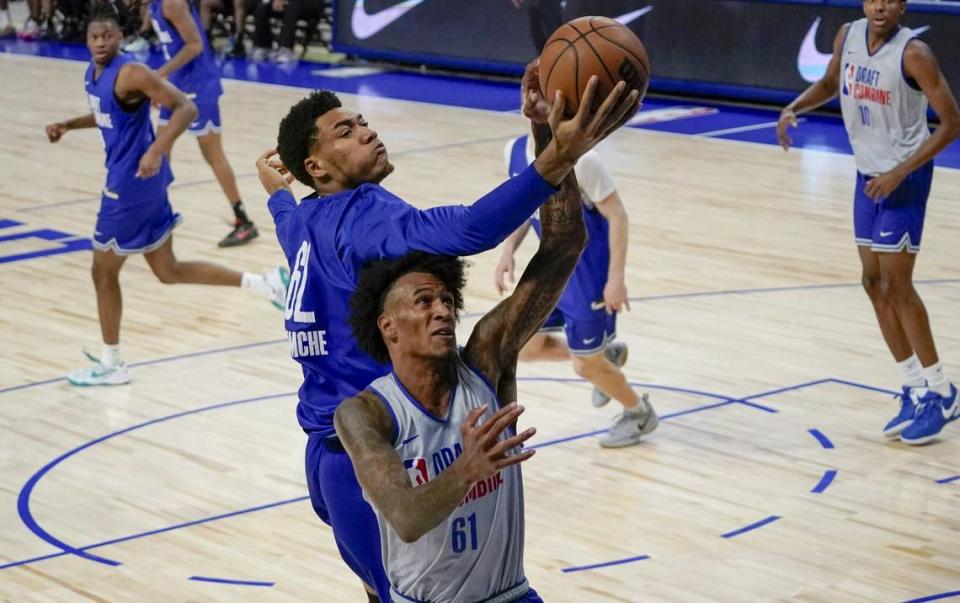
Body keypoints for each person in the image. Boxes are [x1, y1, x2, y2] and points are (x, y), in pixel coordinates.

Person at [258, 64, 639, 600]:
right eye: (346, 131)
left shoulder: (300, 220)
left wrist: (275, 186)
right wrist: (556, 153)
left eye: (363, 122)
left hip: (330, 458)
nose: (367, 131)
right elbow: (470, 228)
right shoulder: (363, 216)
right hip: (381, 447)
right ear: (317, 167)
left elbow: (280, 209)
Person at [333, 115, 587, 601]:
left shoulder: (486, 364)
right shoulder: (365, 414)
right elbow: (404, 517)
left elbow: (565, 244)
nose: (442, 311)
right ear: (387, 326)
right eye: (423, 302)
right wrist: (467, 468)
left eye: (447, 300)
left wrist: (551, 137)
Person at [46, 3, 287, 386]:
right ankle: (266, 283)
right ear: (86, 39)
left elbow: (185, 107)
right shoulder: (94, 75)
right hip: (142, 183)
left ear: (120, 36)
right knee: (167, 269)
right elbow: (104, 112)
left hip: (129, 185)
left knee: (102, 272)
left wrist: (157, 148)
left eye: (108, 35)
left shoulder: (132, 71)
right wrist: (68, 124)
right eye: (95, 36)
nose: (101, 42)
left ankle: (112, 363)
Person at [777, 0, 960, 445]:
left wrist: (901, 170)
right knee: (872, 282)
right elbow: (829, 82)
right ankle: (912, 386)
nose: (881, 6)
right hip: (867, 177)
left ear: (902, 5)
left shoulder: (914, 53)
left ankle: (942, 392)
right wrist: (794, 107)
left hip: (905, 177)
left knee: (898, 286)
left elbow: (952, 123)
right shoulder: (847, 36)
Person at [495, 133, 658, 448]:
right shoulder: (513, 151)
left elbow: (618, 215)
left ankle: (638, 413)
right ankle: (603, 359)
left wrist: (616, 278)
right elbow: (524, 208)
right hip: (550, 270)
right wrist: (508, 250)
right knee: (524, 347)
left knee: (584, 366)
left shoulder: (583, 159)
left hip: (587, 276)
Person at [150, 0, 258, 247]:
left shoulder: (172, 4)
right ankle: (156, 216)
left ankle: (244, 221)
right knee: (159, 150)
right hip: (176, 86)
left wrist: (159, 75)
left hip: (198, 85)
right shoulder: (153, 5)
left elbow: (195, 44)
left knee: (212, 154)